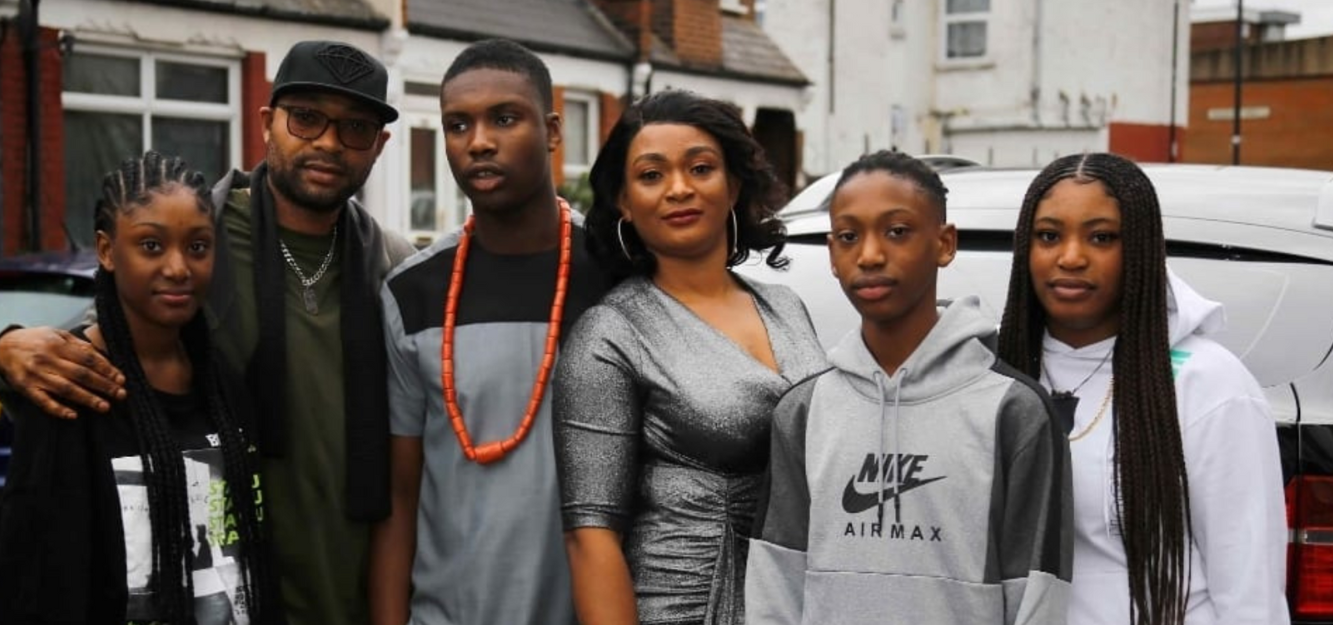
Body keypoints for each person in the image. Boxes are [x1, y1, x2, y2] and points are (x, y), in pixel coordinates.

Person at [0, 41, 414, 624]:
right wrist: (4, 350)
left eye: (356, 128)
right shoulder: (201, 241)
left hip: (356, 598)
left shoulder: (395, 268)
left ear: (380, 145)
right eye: (307, 117)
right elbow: (103, 354)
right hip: (234, 596)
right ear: (267, 122)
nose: (329, 143)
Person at [745, 150, 1073, 625]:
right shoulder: (805, 410)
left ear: (944, 243)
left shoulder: (1012, 411)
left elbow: (1038, 597)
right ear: (833, 255)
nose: (871, 254)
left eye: (897, 231)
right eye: (848, 236)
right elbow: (775, 587)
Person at [552, 89, 828, 625]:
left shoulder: (786, 307)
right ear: (625, 203)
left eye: (700, 168)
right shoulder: (610, 334)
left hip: (795, 600)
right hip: (683, 606)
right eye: (651, 176)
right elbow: (590, 536)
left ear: (733, 184)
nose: (679, 189)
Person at [368, 39, 615, 625]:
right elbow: (399, 498)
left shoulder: (617, 276)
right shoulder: (413, 292)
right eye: (458, 125)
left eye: (505, 118)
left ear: (553, 131)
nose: (478, 141)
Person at [996, 153, 1288, 625]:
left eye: (1102, 237)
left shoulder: (1209, 385)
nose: (1070, 257)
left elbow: (1250, 595)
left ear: (1141, 250)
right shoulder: (993, 370)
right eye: (1049, 236)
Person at [0, 151, 275, 625]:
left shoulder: (224, 385)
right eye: (151, 246)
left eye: (198, 247)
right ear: (106, 250)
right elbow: (34, 587)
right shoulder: (71, 389)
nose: (179, 267)